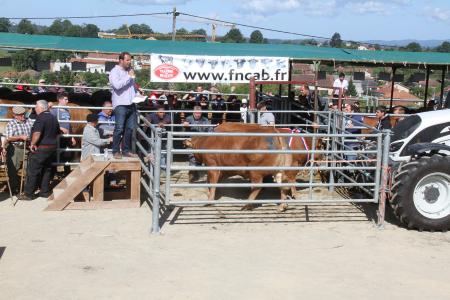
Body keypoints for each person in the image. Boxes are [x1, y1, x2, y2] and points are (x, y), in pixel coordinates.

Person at [19, 100, 60, 200]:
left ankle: (29, 194)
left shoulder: (41, 118)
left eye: (36, 106)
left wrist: (32, 143)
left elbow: (37, 133)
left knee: (33, 171)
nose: (35, 108)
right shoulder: (53, 118)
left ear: (42, 107)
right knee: (47, 170)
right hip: (52, 148)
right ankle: (44, 191)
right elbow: (58, 133)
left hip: (41, 148)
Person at [109, 51, 139, 159]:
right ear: (121, 60)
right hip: (121, 104)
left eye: (130, 60)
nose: (129, 62)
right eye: (127, 60)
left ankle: (126, 150)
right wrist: (129, 77)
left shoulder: (129, 72)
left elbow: (132, 88)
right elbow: (117, 86)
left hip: (131, 103)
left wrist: (138, 93)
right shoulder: (114, 71)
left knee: (130, 129)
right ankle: (115, 151)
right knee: (119, 128)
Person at [4, 106, 33, 194]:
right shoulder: (11, 124)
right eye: (20, 115)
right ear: (15, 115)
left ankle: (27, 189)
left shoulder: (29, 121)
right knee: (13, 169)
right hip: (15, 148)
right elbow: (8, 138)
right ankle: (14, 188)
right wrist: (20, 137)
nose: (23, 116)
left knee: (29, 169)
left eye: (23, 114)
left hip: (27, 148)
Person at [183, 106, 213, 182]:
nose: (198, 114)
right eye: (196, 113)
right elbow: (184, 124)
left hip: (202, 142)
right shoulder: (189, 118)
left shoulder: (205, 120)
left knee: (208, 157)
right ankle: (192, 174)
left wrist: (213, 129)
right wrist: (185, 124)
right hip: (191, 141)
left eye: (199, 113)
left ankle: (209, 174)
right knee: (192, 157)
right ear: (193, 112)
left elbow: (210, 129)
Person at [50, 92, 76, 176]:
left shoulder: (67, 111)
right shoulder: (54, 111)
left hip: (67, 137)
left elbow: (69, 125)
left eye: (67, 99)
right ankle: (53, 173)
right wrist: (60, 128)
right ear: (60, 100)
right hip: (58, 136)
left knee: (67, 154)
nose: (67, 101)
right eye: (65, 99)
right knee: (55, 154)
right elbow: (51, 123)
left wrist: (72, 137)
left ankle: (67, 173)